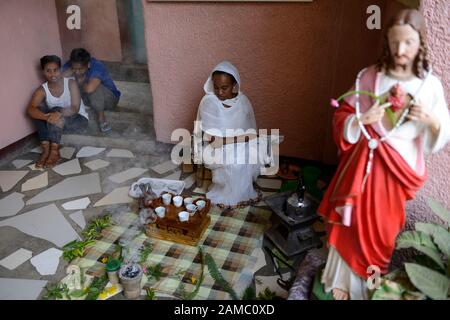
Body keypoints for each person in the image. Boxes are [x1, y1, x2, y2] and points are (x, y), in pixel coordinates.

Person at [318, 9, 450, 300]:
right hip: (362, 167)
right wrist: (360, 121)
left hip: (396, 174)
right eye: (395, 42)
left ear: (420, 44)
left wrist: (430, 121)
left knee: (382, 231)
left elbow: (441, 131)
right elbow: (343, 113)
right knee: (349, 222)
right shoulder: (369, 76)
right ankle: (339, 279)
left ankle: (368, 285)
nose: (400, 50)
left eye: (408, 43)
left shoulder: (429, 86)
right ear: (387, 42)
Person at [194, 61, 261, 207]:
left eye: (225, 88)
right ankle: (228, 193)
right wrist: (235, 140)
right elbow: (212, 139)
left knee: (246, 155)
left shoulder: (242, 101)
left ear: (234, 85)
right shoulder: (209, 101)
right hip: (214, 147)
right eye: (216, 87)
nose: (220, 92)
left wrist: (231, 140)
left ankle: (238, 193)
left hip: (234, 142)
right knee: (234, 161)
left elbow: (251, 133)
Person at [27, 55, 89, 168]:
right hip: (57, 123)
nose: (52, 74)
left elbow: (75, 107)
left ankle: (55, 151)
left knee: (55, 110)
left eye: (55, 70)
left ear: (60, 70)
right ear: (43, 72)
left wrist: (58, 114)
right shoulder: (42, 89)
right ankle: (46, 151)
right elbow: (30, 109)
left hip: (78, 119)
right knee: (38, 111)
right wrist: (47, 117)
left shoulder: (70, 83)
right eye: (48, 71)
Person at [62, 48, 121, 132]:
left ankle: (102, 119)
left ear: (88, 64)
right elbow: (58, 79)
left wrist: (80, 81)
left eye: (80, 69)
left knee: (95, 88)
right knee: (67, 82)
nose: (77, 72)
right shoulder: (71, 64)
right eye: (75, 69)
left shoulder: (97, 66)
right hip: (88, 99)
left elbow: (90, 89)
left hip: (109, 99)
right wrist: (71, 71)